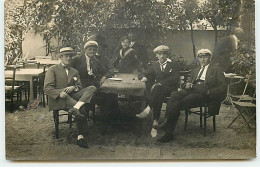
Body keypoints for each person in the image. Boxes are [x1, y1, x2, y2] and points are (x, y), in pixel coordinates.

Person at [156, 49, 227, 143]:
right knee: (174, 95)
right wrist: (186, 84)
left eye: (205, 57)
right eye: (200, 57)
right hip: (192, 90)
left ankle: (168, 131)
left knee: (179, 102)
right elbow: (186, 83)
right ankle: (167, 124)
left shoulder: (216, 70)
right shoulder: (195, 70)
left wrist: (209, 92)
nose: (203, 59)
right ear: (198, 58)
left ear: (210, 58)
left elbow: (223, 87)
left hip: (203, 94)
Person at [44, 47, 97, 148]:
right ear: (60, 57)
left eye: (70, 56)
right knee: (83, 108)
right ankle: (80, 138)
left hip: (72, 96)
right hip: (59, 98)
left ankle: (75, 107)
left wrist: (74, 87)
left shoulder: (74, 71)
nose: (69, 58)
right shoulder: (53, 69)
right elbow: (47, 88)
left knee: (92, 88)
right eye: (66, 56)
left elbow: (79, 86)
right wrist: (60, 93)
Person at [136, 45, 180, 138]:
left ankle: (149, 109)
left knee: (157, 88)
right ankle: (155, 122)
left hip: (171, 90)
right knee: (158, 93)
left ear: (167, 55)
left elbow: (175, 78)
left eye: (164, 54)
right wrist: (142, 77)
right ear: (156, 55)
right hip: (159, 92)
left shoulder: (174, 64)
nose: (162, 56)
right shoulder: (155, 65)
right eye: (159, 54)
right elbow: (142, 73)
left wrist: (161, 83)